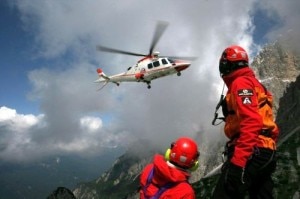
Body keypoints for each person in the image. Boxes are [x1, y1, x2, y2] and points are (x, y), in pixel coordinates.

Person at [212, 45, 279, 199]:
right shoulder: (255, 84)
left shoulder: (240, 83)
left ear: (226, 64)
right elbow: (267, 123)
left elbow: (252, 121)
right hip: (265, 151)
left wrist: (238, 161)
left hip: (250, 151)